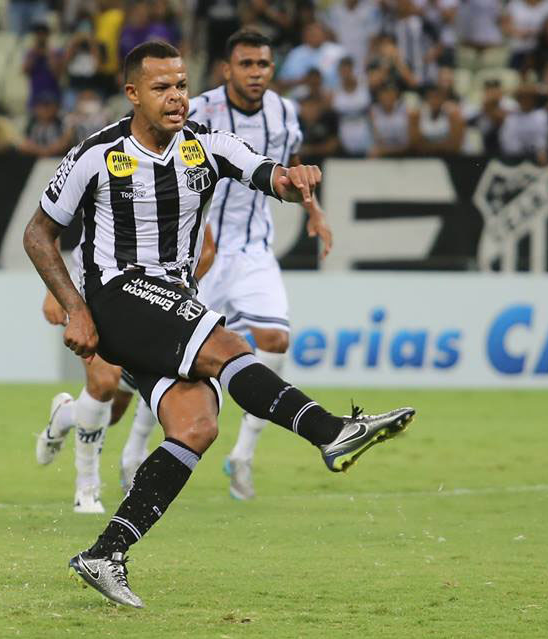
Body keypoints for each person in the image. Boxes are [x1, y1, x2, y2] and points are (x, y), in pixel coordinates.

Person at [23, 40, 415, 607]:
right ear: (133, 93)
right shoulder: (97, 154)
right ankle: (331, 432)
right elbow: (39, 233)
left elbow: (270, 176)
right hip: (117, 295)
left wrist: (295, 180)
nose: (176, 97)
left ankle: (106, 552)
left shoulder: (207, 146)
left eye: (182, 85)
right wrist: (76, 307)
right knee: (226, 345)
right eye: (161, 87)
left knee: (197, 424)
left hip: (170, 298)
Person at [186, 30, 336, 500]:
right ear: (226, 69)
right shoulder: (199, 110)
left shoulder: (284, 111)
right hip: (202, 250)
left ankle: (243, 455)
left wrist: (314, 210)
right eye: (246, 64)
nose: (255, 73)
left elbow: (291, 162)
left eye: (263, 65)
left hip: (254, 248)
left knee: (275, 340)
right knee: (179, 361)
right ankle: (132, 453)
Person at [36, 227, 216, 512]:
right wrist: (52, 290)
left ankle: (66, 415)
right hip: (95, 287)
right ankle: (87, 487)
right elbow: (48, 225)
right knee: (104, 383)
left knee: (113, 412)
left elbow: (207, 249)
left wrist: (179, 290)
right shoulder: (101, 193)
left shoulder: (183, 196)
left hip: (153, 300)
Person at [331, 56, 374, 157]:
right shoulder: (333, 92)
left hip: (365, 135)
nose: (345, 74)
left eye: (348, 70)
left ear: (353, 70)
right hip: (344, 137)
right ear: (339, 72)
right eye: (343, 71)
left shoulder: (365, 85)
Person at [410, 83, 465, 155]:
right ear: (427, 99)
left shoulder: (453, 114)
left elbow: (455, 146)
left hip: (450, 156)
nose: (435, 101)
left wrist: (429, 147)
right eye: (431, 97)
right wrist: (440, 147)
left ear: (444, 99)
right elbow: (415, 144)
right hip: (426, 156)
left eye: (438, 97)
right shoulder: (417, 114)